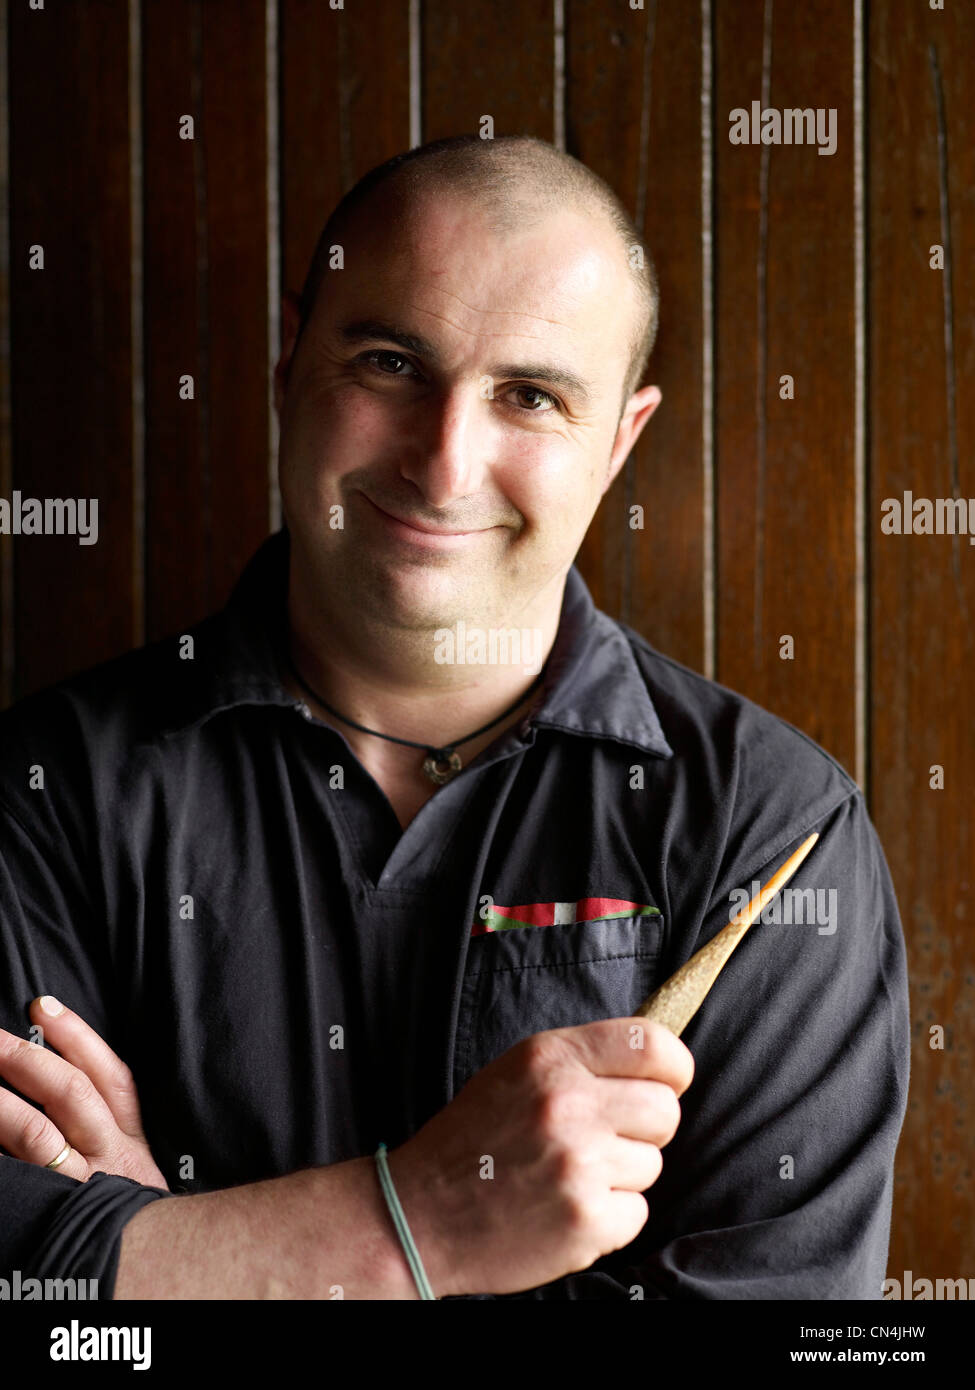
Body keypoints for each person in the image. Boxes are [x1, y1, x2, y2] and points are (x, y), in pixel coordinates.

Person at [0, 134, 909, 1300]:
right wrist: (419, 1220)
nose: (443, 463)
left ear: (619, 440)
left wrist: (181, 1258)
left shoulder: (772, 833)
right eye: (389, 364)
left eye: (530, 395)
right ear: (290, 366)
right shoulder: (42, 792)